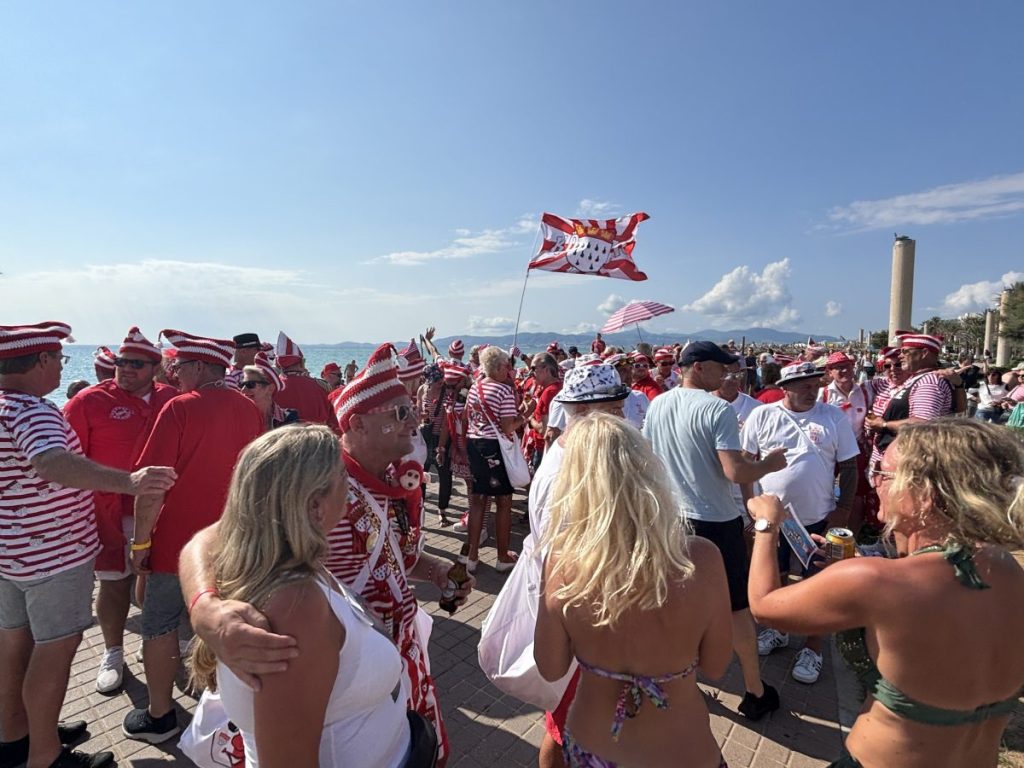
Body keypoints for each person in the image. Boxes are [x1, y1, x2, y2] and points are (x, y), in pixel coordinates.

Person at [181, 343, 474, 766]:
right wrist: (204, 607)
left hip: (384, 671)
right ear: (357, 423)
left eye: (412, 409)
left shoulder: (384, 481)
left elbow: (384, 557)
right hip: (348, 677)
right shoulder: (318, 504)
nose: (415, 422)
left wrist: (434, 567)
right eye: (399, 413)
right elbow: (212, 536)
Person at [747, 419, 1024, 768]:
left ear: (926, 495)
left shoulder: (878, 581)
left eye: (884, 473)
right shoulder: (1005, 568)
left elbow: (764, 606)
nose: (873, 480)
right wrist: (869, 564)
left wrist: (767, 524)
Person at [0, 321, 176, 768]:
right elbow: (51, 462)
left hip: (15, 554)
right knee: (55, 649)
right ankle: (46, 757)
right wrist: (128, 483)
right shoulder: (35, 411)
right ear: (39, 361)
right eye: (58, 357)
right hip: (53, 553)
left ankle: (18, 735)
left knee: (17, 644)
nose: (62, 364)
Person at [188, 425, 416, 768]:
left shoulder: (276, 562)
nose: (350, 488)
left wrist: (202, 604)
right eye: (342, 477)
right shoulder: (295, 608)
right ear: (315, 507)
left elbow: (203, 538)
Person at [536, 413, 733, 768]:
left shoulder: (563, 562)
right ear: (648, 472)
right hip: (686, 751)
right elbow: (716, 667)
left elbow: (550, 668)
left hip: (595, 748)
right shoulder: (702, 558)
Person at [123, 329, 264, 744]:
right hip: (232, 540)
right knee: (222, 620)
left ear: (200, 366)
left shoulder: (179, 408)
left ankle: (160, 715)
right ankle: (226, 710)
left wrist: (140, 543)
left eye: (179, 366)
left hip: (178, 545)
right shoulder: (251, 409)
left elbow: (151, 487)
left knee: (159, 624)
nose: (173, 372)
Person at [643, 340, 787, 720]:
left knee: (678, 602)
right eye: (721, 367)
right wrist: (770, 464)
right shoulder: (717, 409)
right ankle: (755, 690)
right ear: (699, 367)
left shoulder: (658, 404)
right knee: (738, 607)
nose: (727, 375)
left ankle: (680, 680)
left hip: (671, 516)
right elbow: (735, 472)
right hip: (715, 520)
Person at [522, 364, 630, 767]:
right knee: (564, 726)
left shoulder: (579, 457)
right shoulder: (564, 473)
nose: (623, 419)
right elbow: (564, 565)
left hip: (584, 619)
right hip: (577, 623)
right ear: (586, 414)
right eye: (615, 411)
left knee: (568, 724)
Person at [63, 327, 178, 694]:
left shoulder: (173, 400)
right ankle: (113, 652)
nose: (124, 369)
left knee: (161, 583)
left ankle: (159, 644)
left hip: (163, 512)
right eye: (120, 362)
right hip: (108, 514)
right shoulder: (88, 402)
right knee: (114, 584)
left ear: (155, 367)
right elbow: (65, 460)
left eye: (135, 364)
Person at [741, 361, 859, 685]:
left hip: (819, 519)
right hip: (775, 520)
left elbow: (849, 466)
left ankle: (813, 647)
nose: (813, 389)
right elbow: (746, 463)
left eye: (815, 383)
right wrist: (748, 506)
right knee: (774, 576)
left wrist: (844, 508)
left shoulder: (833, 417)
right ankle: (778, 631)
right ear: (785, 387)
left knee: (818, 586)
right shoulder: (762, 416)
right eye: (804, 384)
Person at [462, 346, 526, 572]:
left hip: (474, 443)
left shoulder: (474, 388)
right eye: (507, 366)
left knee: (478, 500)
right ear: (499, 367)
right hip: (494, 447)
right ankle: (502, 556)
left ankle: (472, 555)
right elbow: (508, 426)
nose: (509, 370)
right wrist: (525, 415)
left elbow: (467, 418)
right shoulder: (503, 391)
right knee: (504, 501)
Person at [272, 331, 339, 430]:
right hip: (317, 439)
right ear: (301, 363)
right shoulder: (320, 386)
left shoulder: (272, 389)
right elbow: (333, 422)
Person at [435, 363, 471, 524]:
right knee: (469, 483)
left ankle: (477, 520)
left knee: (474, 483)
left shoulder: (473, 395)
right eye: (447, 385)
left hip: (472, 444)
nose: (450, 388)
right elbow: (446, 425)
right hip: (458, 445)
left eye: (453, 384)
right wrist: (441, 449)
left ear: (463, 381)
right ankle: (474, 516)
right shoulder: (451, 397)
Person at [239, 353, 300, 431]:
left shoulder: (289, 419)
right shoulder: (238, 418)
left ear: (270, 388)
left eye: (250, 384)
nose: (243, 390)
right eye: (242, 384)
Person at [523, 353, 561, 472]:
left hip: (543, 447)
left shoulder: (549, 392)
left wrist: (530, 418)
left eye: (534, 368)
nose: (531, 372)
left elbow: (544, 430)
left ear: (546, 369)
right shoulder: (559, 386)